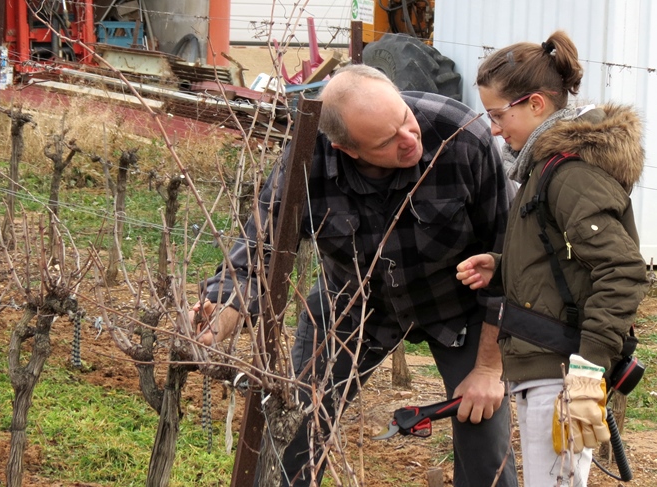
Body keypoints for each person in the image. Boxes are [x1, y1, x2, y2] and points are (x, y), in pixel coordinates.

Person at [193, 64, 518, 487]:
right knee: (297, 425)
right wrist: (228, 302)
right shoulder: (309, 156)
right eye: (387, 141)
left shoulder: (461, 136)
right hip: (352, 302)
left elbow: (508, 255)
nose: (409, 138)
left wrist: (490, 370)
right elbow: (263, 244)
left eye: (405, 119)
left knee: (483, 441)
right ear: (347, 149)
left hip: (459, 305)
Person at [456, 31, 649, 487]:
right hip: (547, 366)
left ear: (536, 104)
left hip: (564, 371)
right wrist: (501, 267)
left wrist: (587, 371)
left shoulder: (568, 174)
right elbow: (566, 263)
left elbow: (622, 271)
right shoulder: (543, 171)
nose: (496, 129)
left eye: (499, 115)